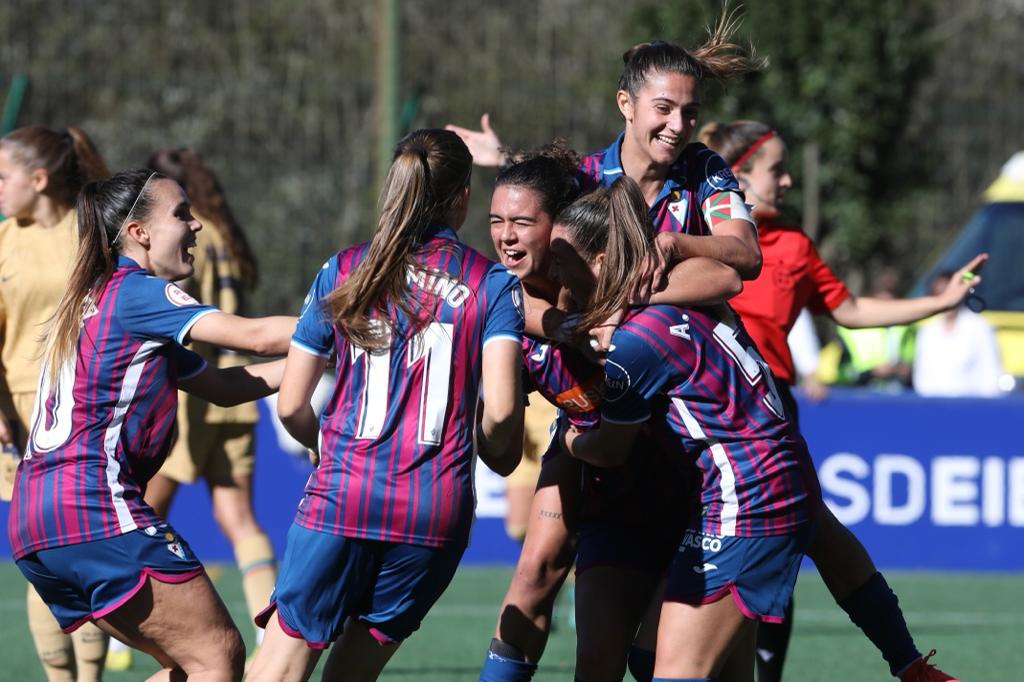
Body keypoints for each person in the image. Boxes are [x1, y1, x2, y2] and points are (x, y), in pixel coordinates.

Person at [246, 129, 525, 682]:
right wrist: (501, 455)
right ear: (463, 197)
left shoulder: (346, 268)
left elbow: (292, 404)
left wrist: (332, 451)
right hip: (435, 509)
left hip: (343, 495)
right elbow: (498, 412)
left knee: (278, 668)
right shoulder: (493, 284)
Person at [701, 118, 973, 681]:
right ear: (738, 179)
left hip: (770, 410)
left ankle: (905, 664)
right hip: (698, 409)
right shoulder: (692, 230)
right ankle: (908, 663)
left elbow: (847, 310)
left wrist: (938, 301)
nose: (789, 180)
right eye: (777, 168)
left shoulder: (795, 245)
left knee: (799, 538)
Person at [7, 168, 295, 681]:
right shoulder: (137, 292)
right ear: (139, 234)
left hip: (36, 521)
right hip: (91, 508)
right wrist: (354, 317)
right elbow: (254, 336)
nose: (196, 226)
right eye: (181, 214)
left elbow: (226, 387)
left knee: (191, 665)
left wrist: (338, 355)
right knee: (220, 655)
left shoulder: (97, 302)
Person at [478, 143, 742, 682]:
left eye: (523, 223)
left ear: (561, 229)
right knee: (542, 587)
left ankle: (901, 655)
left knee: (668, 657)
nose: (506, 237)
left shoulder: (606, 277)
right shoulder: (503, 306)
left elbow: (730, 277)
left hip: (685, 478)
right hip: (597, 464)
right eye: (496, 221)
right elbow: (502, 454)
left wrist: (622, 301)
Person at [553, 176, 821, 681]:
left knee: (676, 672)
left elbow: (609, 449)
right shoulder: (678, 298)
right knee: (675, 662)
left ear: (603, 263)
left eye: (563, 256)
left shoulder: (636, 337)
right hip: (751, 486)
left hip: (744, 497)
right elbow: (728, 278)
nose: (553, 266)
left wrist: (566, 437)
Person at [446, 7, 765, 301]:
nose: (679, 126)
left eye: (690, 112)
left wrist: (673, 243)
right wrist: (506, 160)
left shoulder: (704, 168)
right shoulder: (586, 178)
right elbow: (533, 273)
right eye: (663, 109)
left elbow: (747, 254)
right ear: (626, 104)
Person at [142, 148, 276, 650]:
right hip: (239, 391)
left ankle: (119, 633)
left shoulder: (180, 245)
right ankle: (270, 630)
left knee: (143, 511)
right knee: (239, 518)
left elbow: (173, 317)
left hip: (192, 390)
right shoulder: (227, 238)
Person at [0, 124, 112, 682]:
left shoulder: (90, 231)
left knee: (82, 550)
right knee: (38, 558)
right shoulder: (3, 241)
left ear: (38, 179)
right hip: (20, 417)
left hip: (86, 408)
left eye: (3, 175)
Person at [913, 270, 1004, 397]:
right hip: (934, 408)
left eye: (948, 295)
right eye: (938, 295)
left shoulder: (979, 327)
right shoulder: (927, 330)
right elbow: (921, 377)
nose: (945, 302)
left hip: (971, 408)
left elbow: (991, 375)